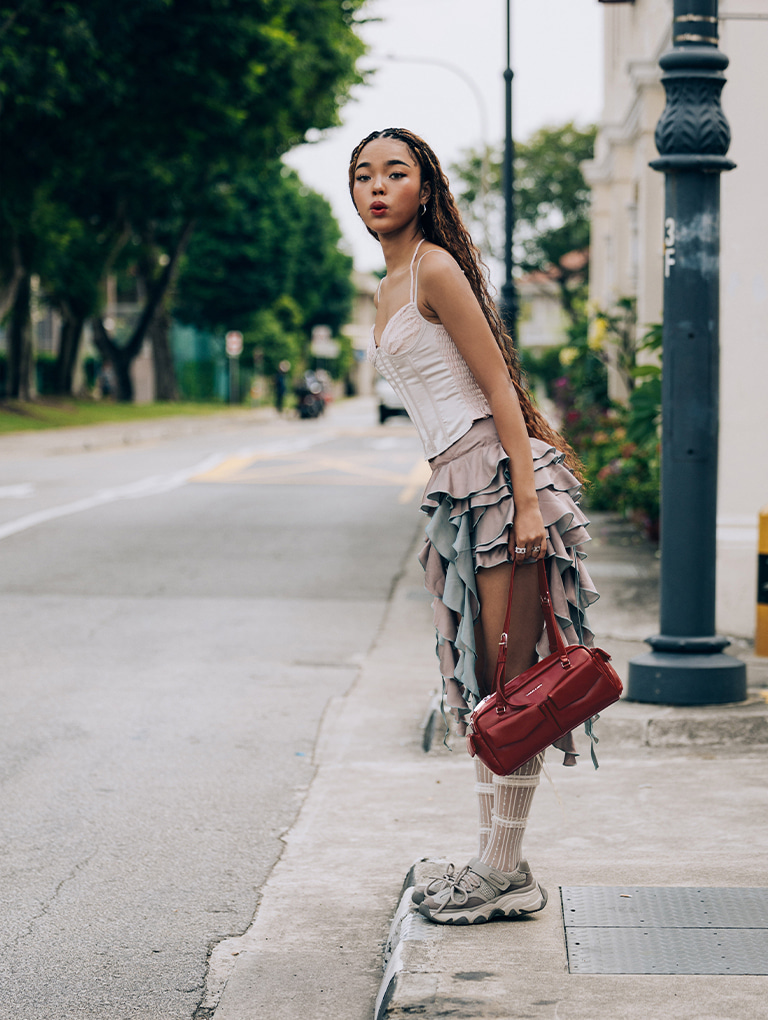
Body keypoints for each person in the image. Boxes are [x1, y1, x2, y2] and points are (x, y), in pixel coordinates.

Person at [349, 128, 598, 926]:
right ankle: (499, 861)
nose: (378, 186)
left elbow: (497, 385)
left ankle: (504, 870)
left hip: (494, 479)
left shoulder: (433, 267)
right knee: (488, 683)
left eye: (396, 172)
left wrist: (527, 503)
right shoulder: (391, 279)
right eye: (363, 175)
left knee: (511, 682)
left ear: (426, 189)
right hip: (458, 491)